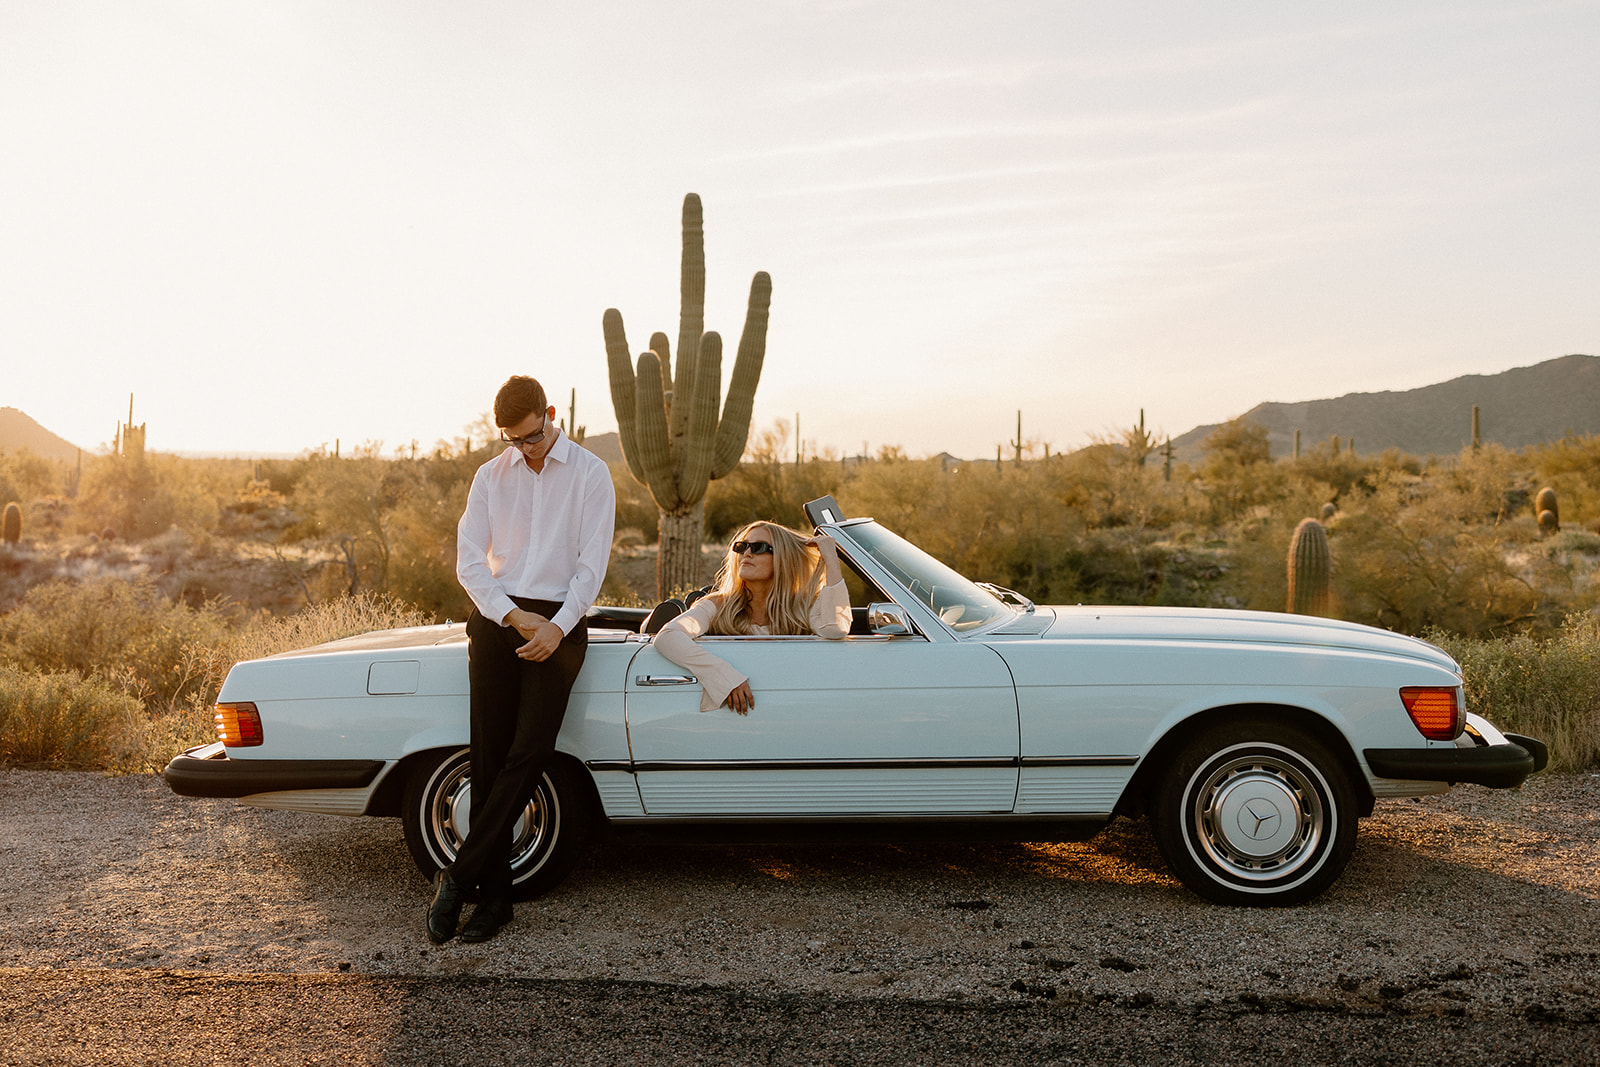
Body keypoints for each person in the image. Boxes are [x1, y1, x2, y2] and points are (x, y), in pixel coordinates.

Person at [428, 375, 616, 945]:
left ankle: (457, 878)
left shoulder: (590, 473)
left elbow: (591, 567)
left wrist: (556, 627)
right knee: (487, 757)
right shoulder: (490, 476)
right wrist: (513, 618)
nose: (523, 449)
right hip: (498, 621)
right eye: (512, 440)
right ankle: (497, 900)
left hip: (561, 624)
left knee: (528, 752)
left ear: (550, 415)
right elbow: (470, 563)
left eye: (531, 437)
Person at [652, 521, 851, 714]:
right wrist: (725, 677)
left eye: (758, 547)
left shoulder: (800, 607)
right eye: (742, 547)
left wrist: (830, 559)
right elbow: (668, 636)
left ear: (782, 557)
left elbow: (835, 628)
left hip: (786, 714)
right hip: (726, 716)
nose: (746, 554)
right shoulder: (718, 605)